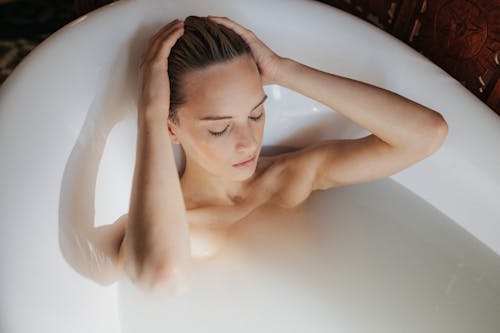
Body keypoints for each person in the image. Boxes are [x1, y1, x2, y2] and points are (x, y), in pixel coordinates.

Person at [103, 15, 448, 295]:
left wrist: (283, 70)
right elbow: (159, 276)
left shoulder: (289, 177)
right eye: (220, 128)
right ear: (170, 128)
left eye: (256, 114)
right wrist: (150, 110)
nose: (248, 143)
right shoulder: (176, 229)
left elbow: (426, 135)